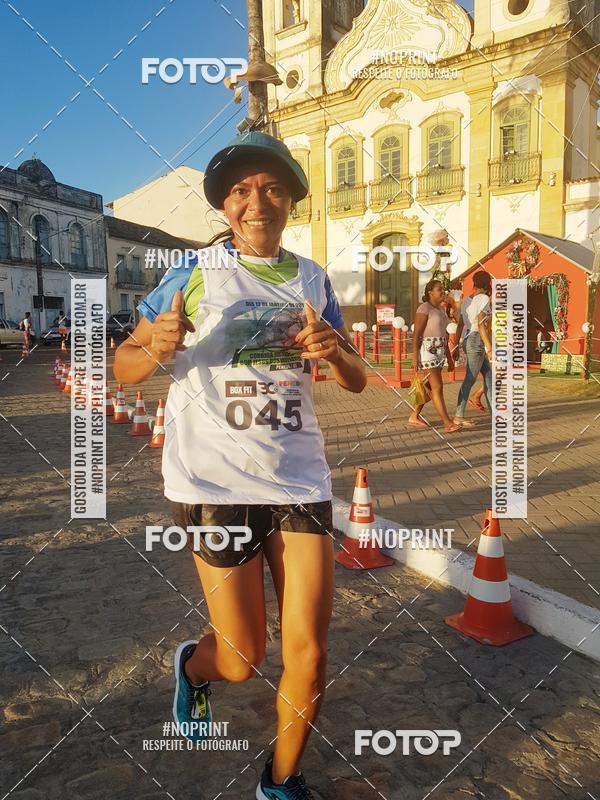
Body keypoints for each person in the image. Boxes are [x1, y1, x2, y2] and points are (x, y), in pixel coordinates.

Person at [113, 131, 367, 800]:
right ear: (226, 205)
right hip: (213, 481)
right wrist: (157, 348)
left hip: (300, 477)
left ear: (292, 202)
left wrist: (335, 352)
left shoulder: (312, 277)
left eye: (273, 188)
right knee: (243, 656)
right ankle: (195, 670)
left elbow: (357, 379)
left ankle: (281, 784)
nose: (257, 201)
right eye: (241, 190)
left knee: (309, 652)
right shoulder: (194, 272)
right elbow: (124, 364)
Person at [409, 279, 461, 433]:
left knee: (429, 387)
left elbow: (444, 335)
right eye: (439, 289)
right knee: (437, 387)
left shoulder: (440, 310)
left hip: (439, 353)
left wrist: (450, 359)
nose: (442, 292)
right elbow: (417, 333)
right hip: (427, 352)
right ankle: (447, 423)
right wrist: (415, 356)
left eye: (443, 289)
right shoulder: (424, 308)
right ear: (430, 292)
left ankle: (414, 416)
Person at [453, 270, 493, 427]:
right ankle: (458, 415)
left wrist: (456, 345)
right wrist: (489, 347)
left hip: (469, 337)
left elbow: (460, 324)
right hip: (477, 339)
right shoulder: (483, 298)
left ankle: (494, 415)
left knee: (489, 377)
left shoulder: (467, 300)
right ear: (487, 283)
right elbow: (481, 324)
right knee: (470, 378)